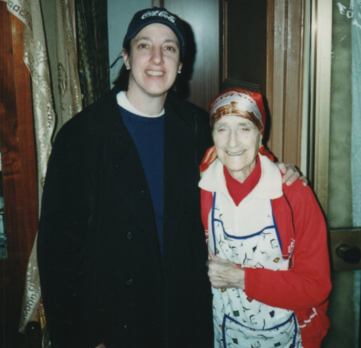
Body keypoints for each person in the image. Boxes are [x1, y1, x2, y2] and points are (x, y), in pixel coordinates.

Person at [37, 7, 304, 348]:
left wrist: (281, 172)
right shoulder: (82, 135)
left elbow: (243, 165)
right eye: (144, 45)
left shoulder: (196, 126)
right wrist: (80, 338)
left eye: (170, 48)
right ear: (127, 57)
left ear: (180, 64)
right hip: (115, 322)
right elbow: (57, 252)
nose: (157, 59)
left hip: (186, 316)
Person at [200, 88, 331, 348]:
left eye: (245, 128)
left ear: (262, 135)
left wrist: (242, 278)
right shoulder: (201, 188)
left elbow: (316, 287)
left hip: (284, 333)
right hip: (222, 332)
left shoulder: (293, 194)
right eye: (222, 129)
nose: (233, 142)